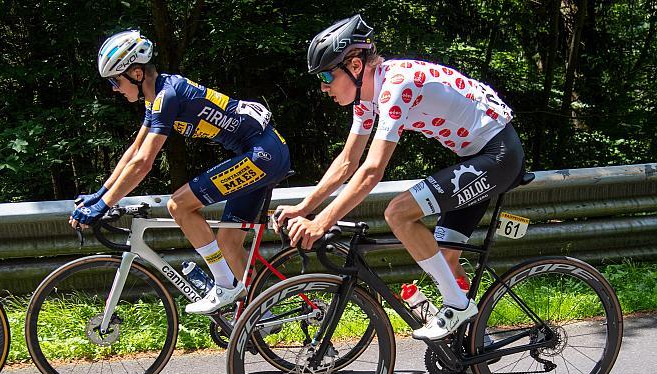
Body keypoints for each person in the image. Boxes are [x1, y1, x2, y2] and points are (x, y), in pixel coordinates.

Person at [275, 15, 524, 340]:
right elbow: (347, 162)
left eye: (326, 75)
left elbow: (371, 170)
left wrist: (321, 222)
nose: (323, 87)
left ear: (353, 65)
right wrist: (302, 208)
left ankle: (457, 307)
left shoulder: (396, 86)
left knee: (398, 212)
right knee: (446, 257)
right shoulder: (367, 98)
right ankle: (477, 341)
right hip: (476, 156)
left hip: (498, 154)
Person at [70, 30, 291, 314]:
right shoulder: (156, 97)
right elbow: (134, 152)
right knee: (227, 242)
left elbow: (144, 164)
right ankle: (264, 313)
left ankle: (224, 284)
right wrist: (100, 196)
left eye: (115, 80)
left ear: (136, 73)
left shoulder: (167, 96)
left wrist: (104, 205)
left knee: (180, 205)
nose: (114, 88)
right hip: (263, 153)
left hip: (263, 155)